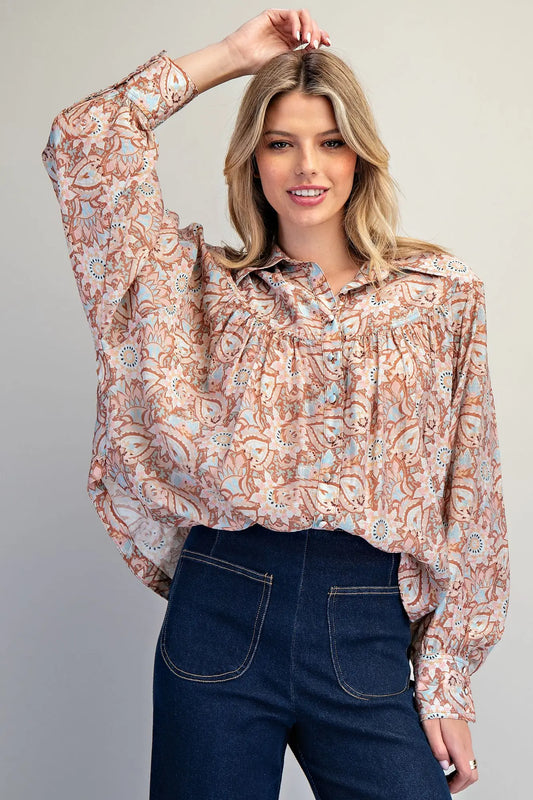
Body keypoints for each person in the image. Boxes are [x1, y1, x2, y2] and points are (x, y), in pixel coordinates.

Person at [41, 7, 510, 799]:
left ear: (360, 155)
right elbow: (83, 141)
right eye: (280, 142)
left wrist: (446, 678)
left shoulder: (438, 297)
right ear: (250, 159)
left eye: (330, 141)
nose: (307, 165)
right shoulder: (195, 290)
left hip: (365, 623)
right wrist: (232, 55)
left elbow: (472, 491)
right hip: (220, 611)